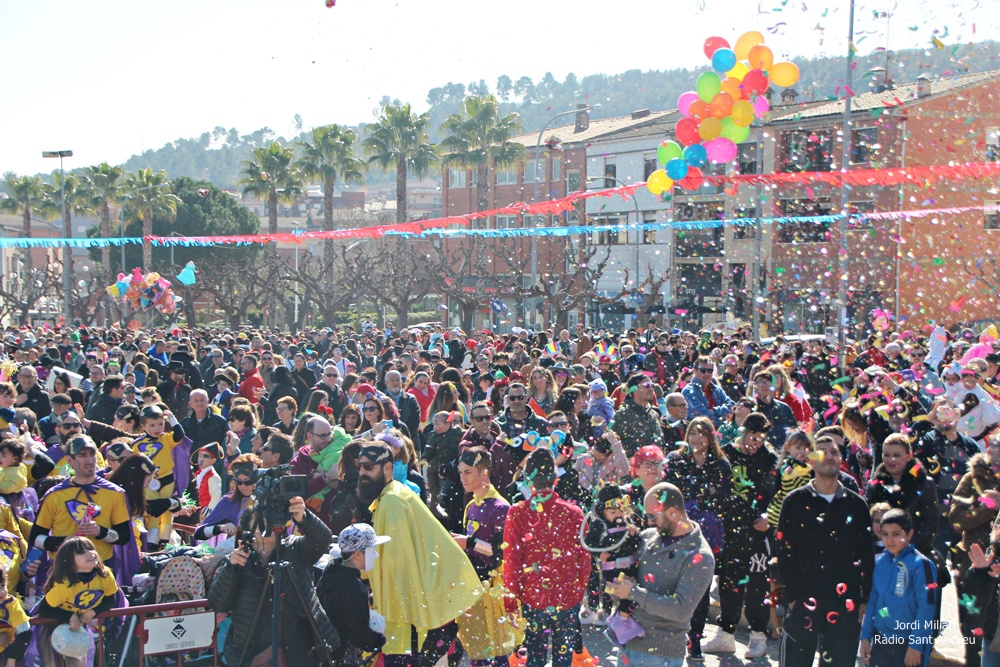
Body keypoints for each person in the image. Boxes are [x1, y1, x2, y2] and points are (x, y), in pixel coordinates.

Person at [358, 442, 483, 667]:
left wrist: (395, 622)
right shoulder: (392, 494)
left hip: (414, 616)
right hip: (425, 607)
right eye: (360, 466)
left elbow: (396, 571)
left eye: (368, 466)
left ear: (387, 468)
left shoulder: (392, 501)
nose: (362, 472)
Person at [777, 433, 875, 667]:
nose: (829, 456)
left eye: (834, 452)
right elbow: (784, 551)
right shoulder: (794, 501)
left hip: (844, 602)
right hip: (804, 599)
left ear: (840, 459)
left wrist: (864, 598)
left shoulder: (856, 504)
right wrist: (792, 597)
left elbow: (866, 554)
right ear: (811, 460)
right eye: (822, 451)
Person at [207, 494, 341, 665]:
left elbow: (322, 538)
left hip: (299, 650)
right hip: (253, 651)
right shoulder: (238, 561)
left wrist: (304, 517)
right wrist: (231, 568)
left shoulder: (295, 548)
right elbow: (218, 604)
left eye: (271, 520)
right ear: (247, 532)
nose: (268, 525)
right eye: (262, 522)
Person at [604, 482, 715, 667]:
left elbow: (681, 610)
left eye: (652, 517)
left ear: (672, 513)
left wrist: (633, 592)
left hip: (661, 655)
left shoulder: (699, 555)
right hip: (627, 645)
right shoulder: (648, 537)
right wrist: (618, 587)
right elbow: (627, 581)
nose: (649, 522)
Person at [502, 448, 591, 667]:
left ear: (527, 479)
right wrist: (579, 592)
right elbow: (584, 559)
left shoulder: (518, 512)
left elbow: (511, 561)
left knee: (535, 659)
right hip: (566, 597)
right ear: (555, 478)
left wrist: (511, 602)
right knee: (563, 660)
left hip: (534, 597)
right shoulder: (574, 513)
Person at [704, 412, 778, 658]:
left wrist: (770, 518)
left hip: (758, 532)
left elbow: (780, 495)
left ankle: (758, 636)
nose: (755, 443)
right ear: (742, 432)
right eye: (752, 436)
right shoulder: (726, 453)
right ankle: (726, 634)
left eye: (760, 438)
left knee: (758, 584)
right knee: (729, 582)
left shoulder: (770, 459)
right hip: (730, 531)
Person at [663, 417, 731, 659]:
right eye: (693, 433)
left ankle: (695, 639)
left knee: (701, 586)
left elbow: (724, 499)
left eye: (702, 434)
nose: (696, 438)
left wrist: (704, 508)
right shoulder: (676, 459)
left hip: (707, 534)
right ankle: (673, 635)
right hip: (679, 531)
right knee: (674, 583)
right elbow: (669, 493)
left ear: (711, 437)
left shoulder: (721, 464)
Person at [453, 448, 519, 667]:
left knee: (495, 651)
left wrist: (469, 543)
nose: (462, 478)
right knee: (476, 650)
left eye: (468, 472)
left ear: (484, 473)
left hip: (492, 590)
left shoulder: (501, 507)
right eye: (460, 472)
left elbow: (502, 553)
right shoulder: (471, 505)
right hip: (472, 584)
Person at [27, 435, 131, 573]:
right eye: (82, 455)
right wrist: (63, 542)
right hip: (63, 568)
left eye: (92, 454)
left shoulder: (115, 493)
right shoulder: (54, 495)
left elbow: (124, 536)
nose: (90, 460)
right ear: (70, 460)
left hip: (100, 568)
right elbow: (36, 538)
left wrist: (101, 532)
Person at [860, 509, 937, 667]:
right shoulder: (879, 562)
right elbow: (873, 602)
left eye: (896, 534)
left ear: (909, 534)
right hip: (881, 640)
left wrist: (916, 644)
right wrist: (865, 636)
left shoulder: (922, 565)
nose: (889, 540)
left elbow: (926, 608)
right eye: (885, 534)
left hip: (908, 642)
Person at [37, 537, 120, 667]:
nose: (91, 553)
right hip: (53, 627)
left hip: (80, 627)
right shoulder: (65, 584)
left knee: (83, 662)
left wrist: (93, 612)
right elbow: (45, 609)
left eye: (91, 548)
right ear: (69, 560)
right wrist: (70, 617)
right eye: (82, 552)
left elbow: (110, 600)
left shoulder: (105, 574)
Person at [317, 524, 388, 664]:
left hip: (324, 653)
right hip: (342, 656)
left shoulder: (330, 574)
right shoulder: (354, 587)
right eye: (372, 550)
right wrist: (379, 640)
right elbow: (359, 634)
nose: (376, 555)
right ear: (357, 554)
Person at [132, 405, 186, 546]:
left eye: (160, 424)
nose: (157, 428)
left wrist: (172, 418)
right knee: (154, 511)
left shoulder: (166, 439)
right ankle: (152, 541)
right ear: (143, 426)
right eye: (152, 425)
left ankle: (165, 540)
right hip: (149, 481)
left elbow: (179, 435)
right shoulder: (137, 444)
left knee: (168, 511)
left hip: (167, 479)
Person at [611, 374, 664, 457]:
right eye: (647, 385)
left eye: (652, 385)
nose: (651, 389)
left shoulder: (654, 414)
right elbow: (610, 443)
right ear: (634, 389)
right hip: (633, 463)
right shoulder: (622, 415)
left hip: (656, 463)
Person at [682, 357, 734, 427]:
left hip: (722, 432)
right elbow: (702, 418)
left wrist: (715, 410)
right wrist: (725, 421)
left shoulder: (717, 389)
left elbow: (732, 406)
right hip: (700, 432)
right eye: (703, 370)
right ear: (694, 371)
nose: (707, 373)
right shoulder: (688, 391)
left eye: (710, 371)